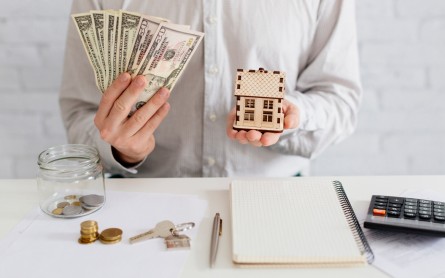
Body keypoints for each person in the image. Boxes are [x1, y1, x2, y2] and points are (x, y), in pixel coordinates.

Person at [60, 0, 361, 177]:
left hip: (275, 194)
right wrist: (122, 150)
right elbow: (80, 112)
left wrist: (295, 116)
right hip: (149, 201)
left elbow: (340, 100)